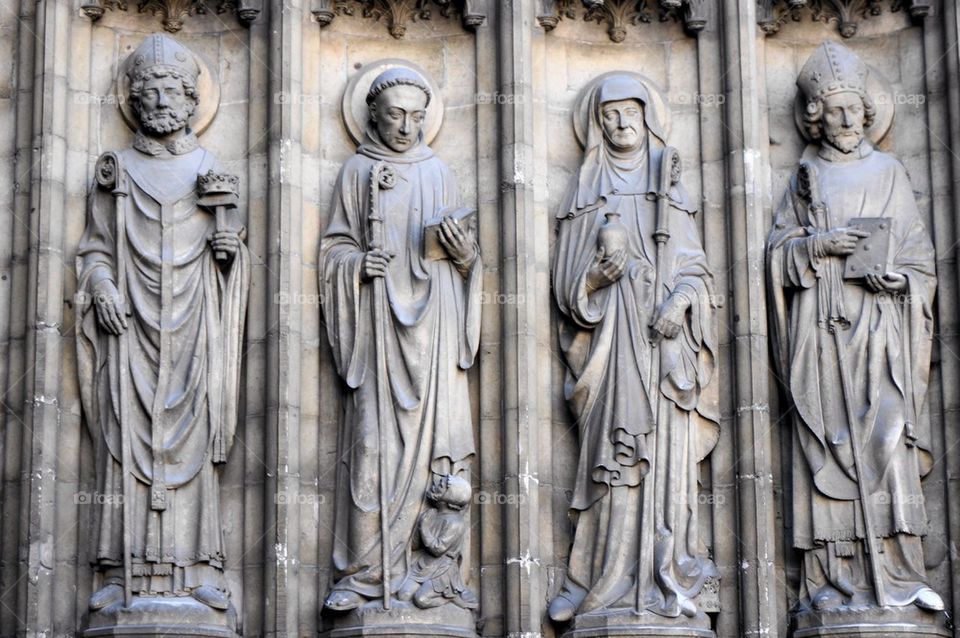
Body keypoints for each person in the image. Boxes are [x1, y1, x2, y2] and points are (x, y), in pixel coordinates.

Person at [767, 41, 943, 613]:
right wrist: (818, 245)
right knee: (826, 442)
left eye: (852, 108)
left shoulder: (889, 171)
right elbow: (777, 256)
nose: (844, 119)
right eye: (832, 109)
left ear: (867, 110)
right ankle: (833, 572)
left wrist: (903, 283)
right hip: (823, 333)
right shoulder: (806, 176)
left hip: (882, 332)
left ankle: (895, 564)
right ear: (815, 116)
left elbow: (919, 257)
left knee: (887, 444)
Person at [77, 34, 249, 612]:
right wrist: (101, 287)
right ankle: (119, 571)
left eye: (169, 90)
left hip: (195, 326)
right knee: (125, 439)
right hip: (131, 331)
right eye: (146, 92)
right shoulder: (116, 172)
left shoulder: (210, 172)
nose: (157, 102)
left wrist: (228, 252)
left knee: (190, 444)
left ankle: (198, 564)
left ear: (190, 99)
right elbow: (95, 250)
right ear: (133, 99)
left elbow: (231, 254)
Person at [549, 74, 719, 622]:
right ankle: (596, 578)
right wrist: (596, 281)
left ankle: (667, 571)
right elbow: (567, 289)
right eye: (609, 116)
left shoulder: (670, 188)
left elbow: (697, 271)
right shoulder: (585, 190)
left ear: (647, 117)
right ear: (596, 125)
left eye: (631, 113)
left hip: (662, 351)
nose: (622, 125)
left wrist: (679, 304)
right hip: (612, 353)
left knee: (661, 466)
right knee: (614, 465)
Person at [319, 67, 482, 611]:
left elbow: (465, 260)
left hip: (434, 331)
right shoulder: (355, 173)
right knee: (371, 450)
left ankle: (430, 573)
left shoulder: (439, 173)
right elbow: (333, 252)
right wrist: (357, 265)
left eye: (416, 115)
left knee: (437, 457)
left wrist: (465, 260)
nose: (407, 125)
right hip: (379, 333)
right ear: (373, 115)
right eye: (396, 114)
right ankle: (365, 572)